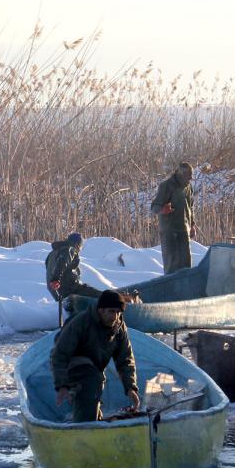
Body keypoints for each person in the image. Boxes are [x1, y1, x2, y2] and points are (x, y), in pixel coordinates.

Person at [50, 290, 141, 423]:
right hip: (72, 362)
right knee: (91, 380)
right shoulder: (81, 322)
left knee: (95, 381)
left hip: (94, 367)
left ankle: (92, 421)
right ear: (101, 310)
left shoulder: (119, 327)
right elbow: (59, 355)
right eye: (111, 311)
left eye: (118, 312)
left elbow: (125, 360)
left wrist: (130, 388)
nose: (115, 316)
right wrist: (62, 385)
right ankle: (84, 429)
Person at [150, 162, 195, 274]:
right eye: (187, 177)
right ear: (180, 174)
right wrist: (162, 210)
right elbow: (154, 207)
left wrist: (192, 225)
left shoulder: (188, 186)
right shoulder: (166, 186)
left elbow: (190, 206)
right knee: (171, 265)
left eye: (190, 177)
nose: (189, 180)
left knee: (186, 265)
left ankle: (185, 290)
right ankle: (170, 290)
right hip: (169, 231)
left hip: (184, 229)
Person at [45, 232, 102, 303]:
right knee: (101, 296)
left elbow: (49, 268)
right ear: (77, 243)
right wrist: (56, 279)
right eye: (80, 245)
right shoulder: (69, 249)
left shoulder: (52, 253)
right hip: (69, 288)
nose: (80, 249)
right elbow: (63, 263)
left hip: (57, 292)